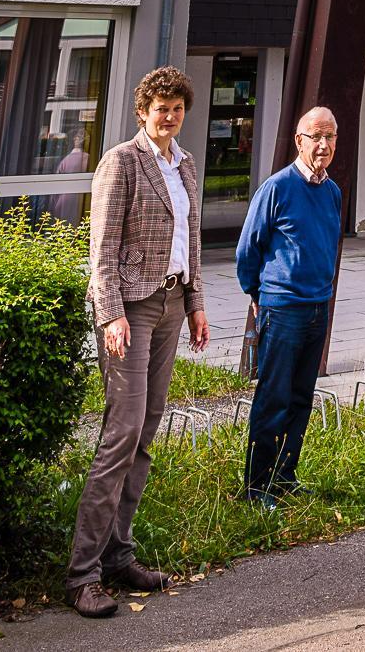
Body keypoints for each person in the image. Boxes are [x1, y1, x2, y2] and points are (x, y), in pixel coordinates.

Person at [65, 67, 209, 621]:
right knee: (120, 433)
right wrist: (111, 316)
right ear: (142, 110)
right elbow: (101, 250)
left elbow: (189, 239)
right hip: (132, 309)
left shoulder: (186, 163)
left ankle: (120, 556)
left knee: (147, 431)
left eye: (176, 107)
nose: (168, 115)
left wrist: (196, 304)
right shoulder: (122, 162)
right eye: (160, 107)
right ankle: (82, 575)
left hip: (173, 306)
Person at [236, 107, 342, 508]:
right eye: (315, 136)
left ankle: (284, 477)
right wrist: (258, 294)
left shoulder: (332, 192)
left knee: (301, 398)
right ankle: (256, 486)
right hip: (282, 309)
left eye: (330, 137)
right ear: (299, 140)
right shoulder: (277, 188)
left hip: (318, 309)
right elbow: (248, 250)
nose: (323, 145)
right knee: (274, 397)